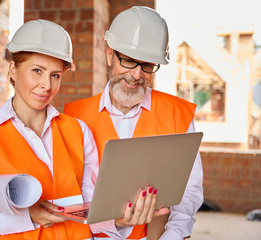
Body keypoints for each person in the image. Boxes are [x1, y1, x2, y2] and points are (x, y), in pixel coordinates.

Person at [0, 19, 161, 240]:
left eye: (55, 75)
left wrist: (119, 219)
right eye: (37, 71)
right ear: (13, 70)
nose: (47, 85)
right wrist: (28, 216)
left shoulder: (79, 132)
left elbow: (90, 207)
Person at [64, 6, 204, 240]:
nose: (137, 75)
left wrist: (172, 235)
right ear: (110, 55)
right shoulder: (75, 117)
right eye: (128, 61)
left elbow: (189, 191)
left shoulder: (177, 113)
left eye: (147, 65)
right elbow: (72, 196)